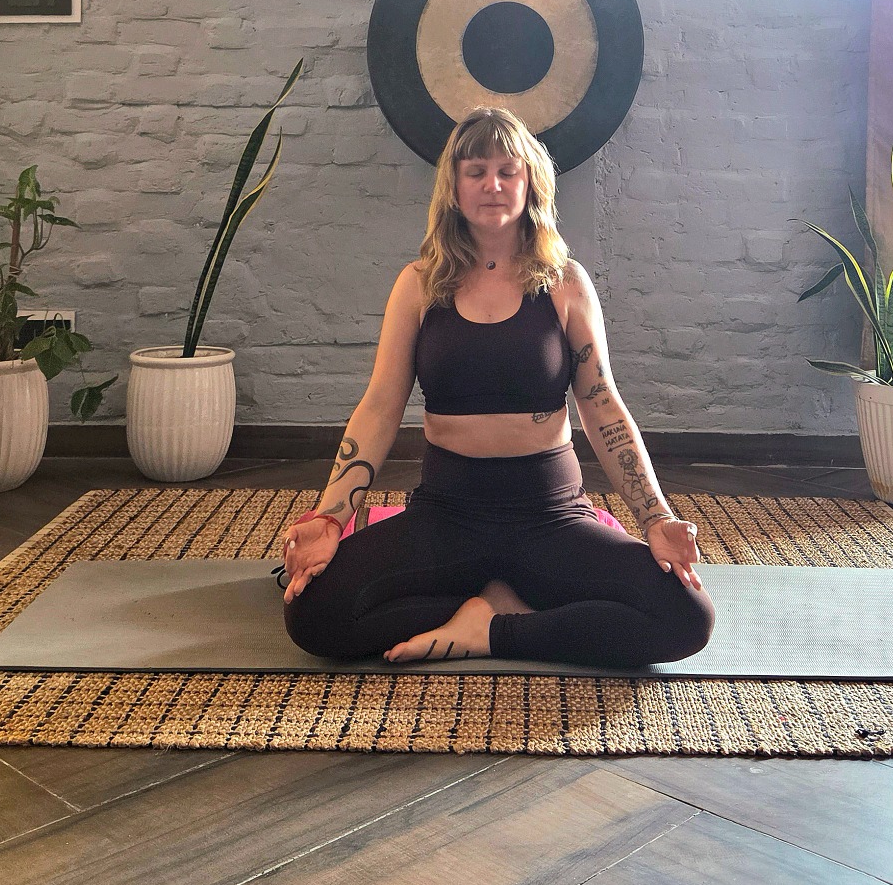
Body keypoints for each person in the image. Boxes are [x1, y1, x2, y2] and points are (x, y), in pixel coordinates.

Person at [280, 106, 716, 670]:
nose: (493, 184)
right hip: (447, 514)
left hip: (549, 514)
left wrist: (656, 519)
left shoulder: (565, 283)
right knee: (313, 612)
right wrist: (328, 519)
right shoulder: (418, 284)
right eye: (476, 171)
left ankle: (492, 629)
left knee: (685, 616)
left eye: (508, 171)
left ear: (529, 183)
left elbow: (603, 407)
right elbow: (381, 406)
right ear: (454, 187)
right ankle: (497, 604)